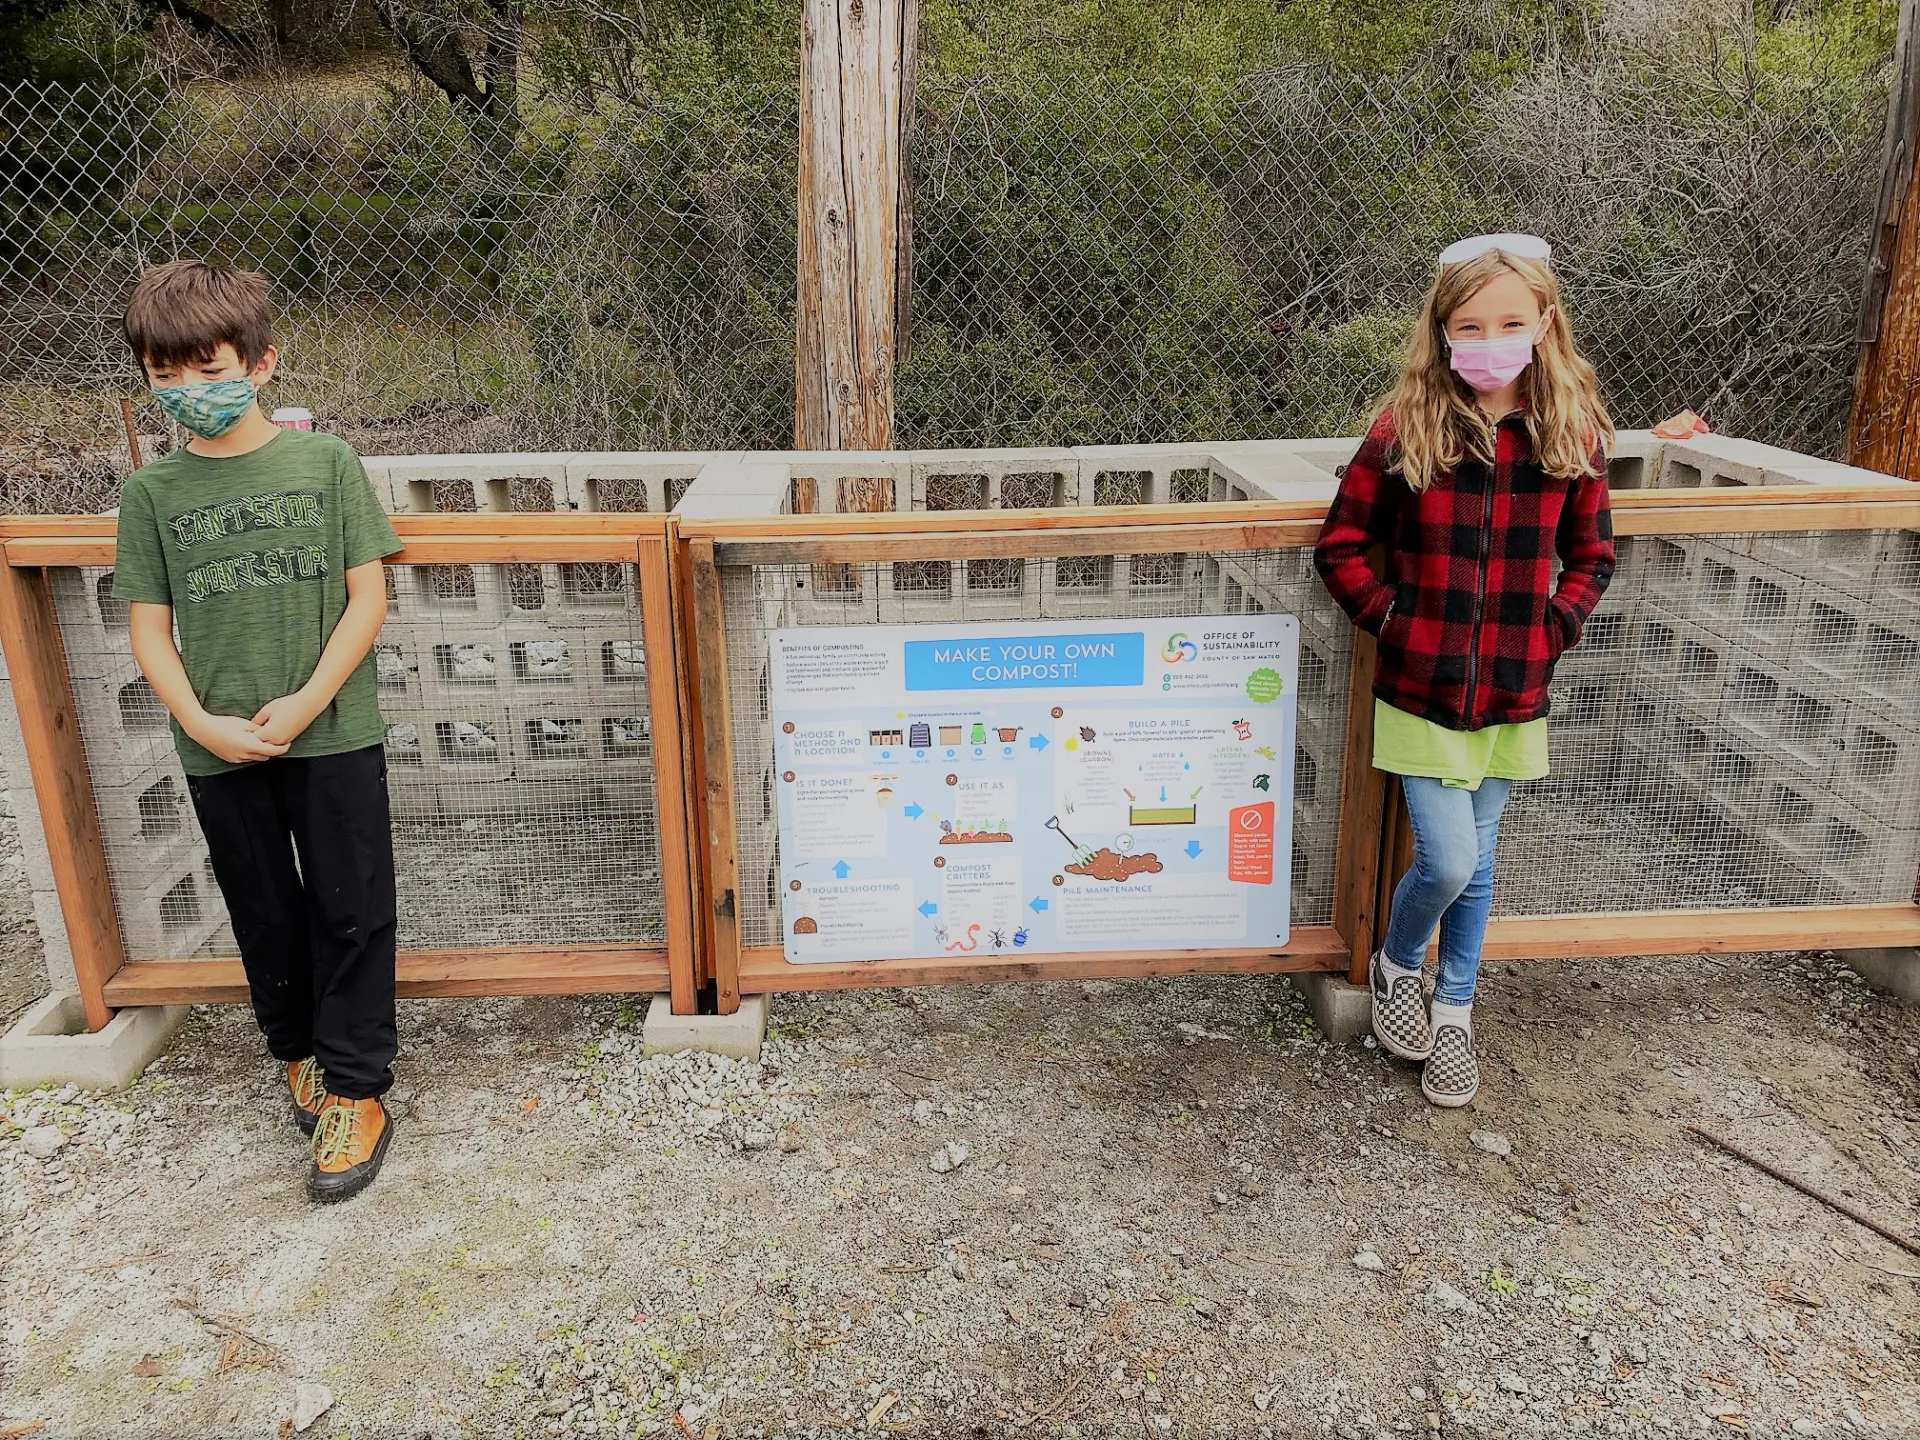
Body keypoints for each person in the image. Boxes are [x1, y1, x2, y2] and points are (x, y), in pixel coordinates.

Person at [113, 259, 403, 1199]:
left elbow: (369, 597)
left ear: (262, 362)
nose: (190, 392)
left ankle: (358, 1088)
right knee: (265, 911)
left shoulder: (325, 462)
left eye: (208, 369)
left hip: (334, 730)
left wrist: (311, 699)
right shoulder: (150, 496)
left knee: (352, 906)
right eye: (167, 376)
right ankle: (297, 1054)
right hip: (217, 743)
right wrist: (201, 719)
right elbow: (149, 629)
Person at [1313, 233, 1615, 1108]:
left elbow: (1592, 557)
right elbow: (1341, 548)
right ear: (1443, 331)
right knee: (1446, 861)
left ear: (1544, 324)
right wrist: (1396, 622)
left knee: (1480, 864)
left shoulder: (1573, 434)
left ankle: (1455, 1014)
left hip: (1515, 696)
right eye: (1471, 324)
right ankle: (1397, 961)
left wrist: (1552, 631)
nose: (1491, 339)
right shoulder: (1406, 428)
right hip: (1420, 689)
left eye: (1511, 321)